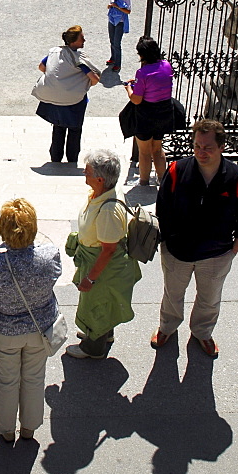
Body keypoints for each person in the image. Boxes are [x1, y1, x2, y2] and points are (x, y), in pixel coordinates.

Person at [152, 119, 238, 357]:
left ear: (221, 147)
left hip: (216, 254)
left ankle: (202, 333)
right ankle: (167, 328)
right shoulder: (177, 170)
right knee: (172, 295)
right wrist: (167, 242)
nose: (201, 152)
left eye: (208, 147)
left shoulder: (237, 177)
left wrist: (234, 249)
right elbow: (163, 208)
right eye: (197, 145)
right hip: (177, 251)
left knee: (209, 300)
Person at [0, 198, 62, 442]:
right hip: (40, 327)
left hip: (4, 331)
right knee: (35, 378)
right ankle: (29, 427)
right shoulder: (50, 255)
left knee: (6, 379)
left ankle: (5, 429)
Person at [65, 149, 141, 358]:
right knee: (102, 305)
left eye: (87, 171)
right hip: (97, 261)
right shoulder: (104, 193)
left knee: (96, 305)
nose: (84, 173)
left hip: (102, 268)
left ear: (99, 179)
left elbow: (108, 251)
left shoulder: (108, 211)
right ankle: (102, 334)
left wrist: (90, 278)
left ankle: (93, 348)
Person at [33, 26, 101, 166]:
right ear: (74, 41)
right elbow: (94, 78)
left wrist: (58, 79)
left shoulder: (55, 52)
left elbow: (41, 66)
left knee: (58, 128)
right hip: (74, 101)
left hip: (55, 100)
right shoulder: (77, 58)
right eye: (82, 37)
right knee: (75, 131)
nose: (84, 40)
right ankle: (72, 161)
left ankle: (55, 160)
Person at [124, 36, 174, 186]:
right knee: (158, 149)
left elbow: (137, 99)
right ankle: (162, 180)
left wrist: (128, 88)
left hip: (146, 114)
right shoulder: (166, 65)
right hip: (164, 112)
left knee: (144, 151)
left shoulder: (142, 73)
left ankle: (144, 182)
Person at [106, 0, 131, 71]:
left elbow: (128, 11)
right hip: (112, 20)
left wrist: (118, 7)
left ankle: (118, 63)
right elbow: (111, 4)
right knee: (112, 41)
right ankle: (113, 58)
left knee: (117, 43)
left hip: (120, 22)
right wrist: (110, 6)